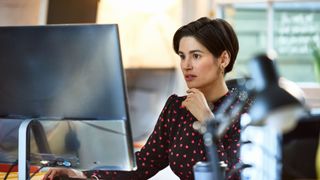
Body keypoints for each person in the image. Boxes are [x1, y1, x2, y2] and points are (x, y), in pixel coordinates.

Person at [43, 17, 247, 180]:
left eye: (196, 55)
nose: (186, 65)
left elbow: (235, 175)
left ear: (223, 59)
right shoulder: (177, 107)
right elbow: (145, 163)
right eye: (182, 56)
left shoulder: (245, 112)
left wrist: (208, 121)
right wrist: (86, 175)